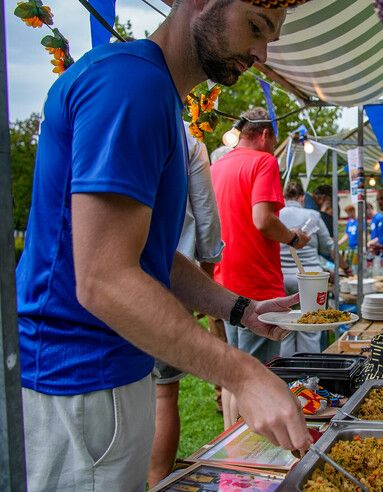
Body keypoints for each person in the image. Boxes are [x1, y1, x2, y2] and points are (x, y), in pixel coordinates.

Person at [15, 1, 315, 490]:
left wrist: (240, 309)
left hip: (103, 378)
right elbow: (104, 278)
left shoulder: (151, 90)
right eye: (256, 27)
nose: (260, 53)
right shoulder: (133, 87)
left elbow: (146, 256)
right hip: (80, 383)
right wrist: (243, 375)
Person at [211, 107, 309, 428]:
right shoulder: (263, 161)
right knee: (258, 374)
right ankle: (251, 444)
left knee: (234, 369)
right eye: (273, 140)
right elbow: (263, 221)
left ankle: (231, 439)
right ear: (265, 134)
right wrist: (293, 238)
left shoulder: (218, 165)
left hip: (224, 280)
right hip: (257, 283)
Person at [147, 122, 225, 486]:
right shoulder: (188, 141)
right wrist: (207, 265)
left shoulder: (83, 103)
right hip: (168, 282)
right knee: (164, 393)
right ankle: (159, 479)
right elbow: (206, 221)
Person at [278, 181, 351, 356]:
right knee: (310, 329)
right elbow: (329, 248)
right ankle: (308, 377)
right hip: (311, 278)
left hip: (281, 276)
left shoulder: (276, 215)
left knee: (285, 328)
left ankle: (286, 378)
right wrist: (346, 267)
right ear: (302, 198)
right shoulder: (313, 215)